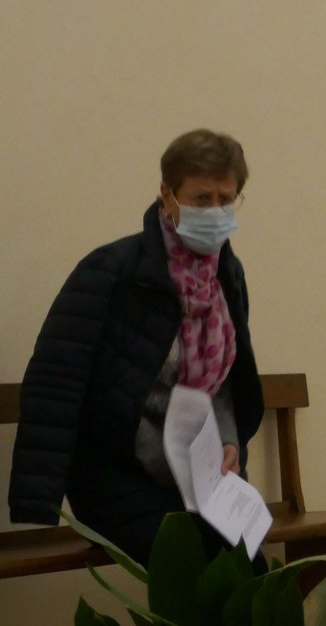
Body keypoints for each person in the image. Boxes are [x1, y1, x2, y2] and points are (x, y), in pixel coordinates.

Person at [8, 130, 263, 563]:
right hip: (116, 477)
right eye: (202, 198)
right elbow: (56, 380)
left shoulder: (225, 275)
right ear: (167, 196)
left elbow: (223, 383)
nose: (215, 211)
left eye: (226, 199)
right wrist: (39, 500)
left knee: (251, 564)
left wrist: (229, 444)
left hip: (198, 477)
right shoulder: (111, 271)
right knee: (188, 560)